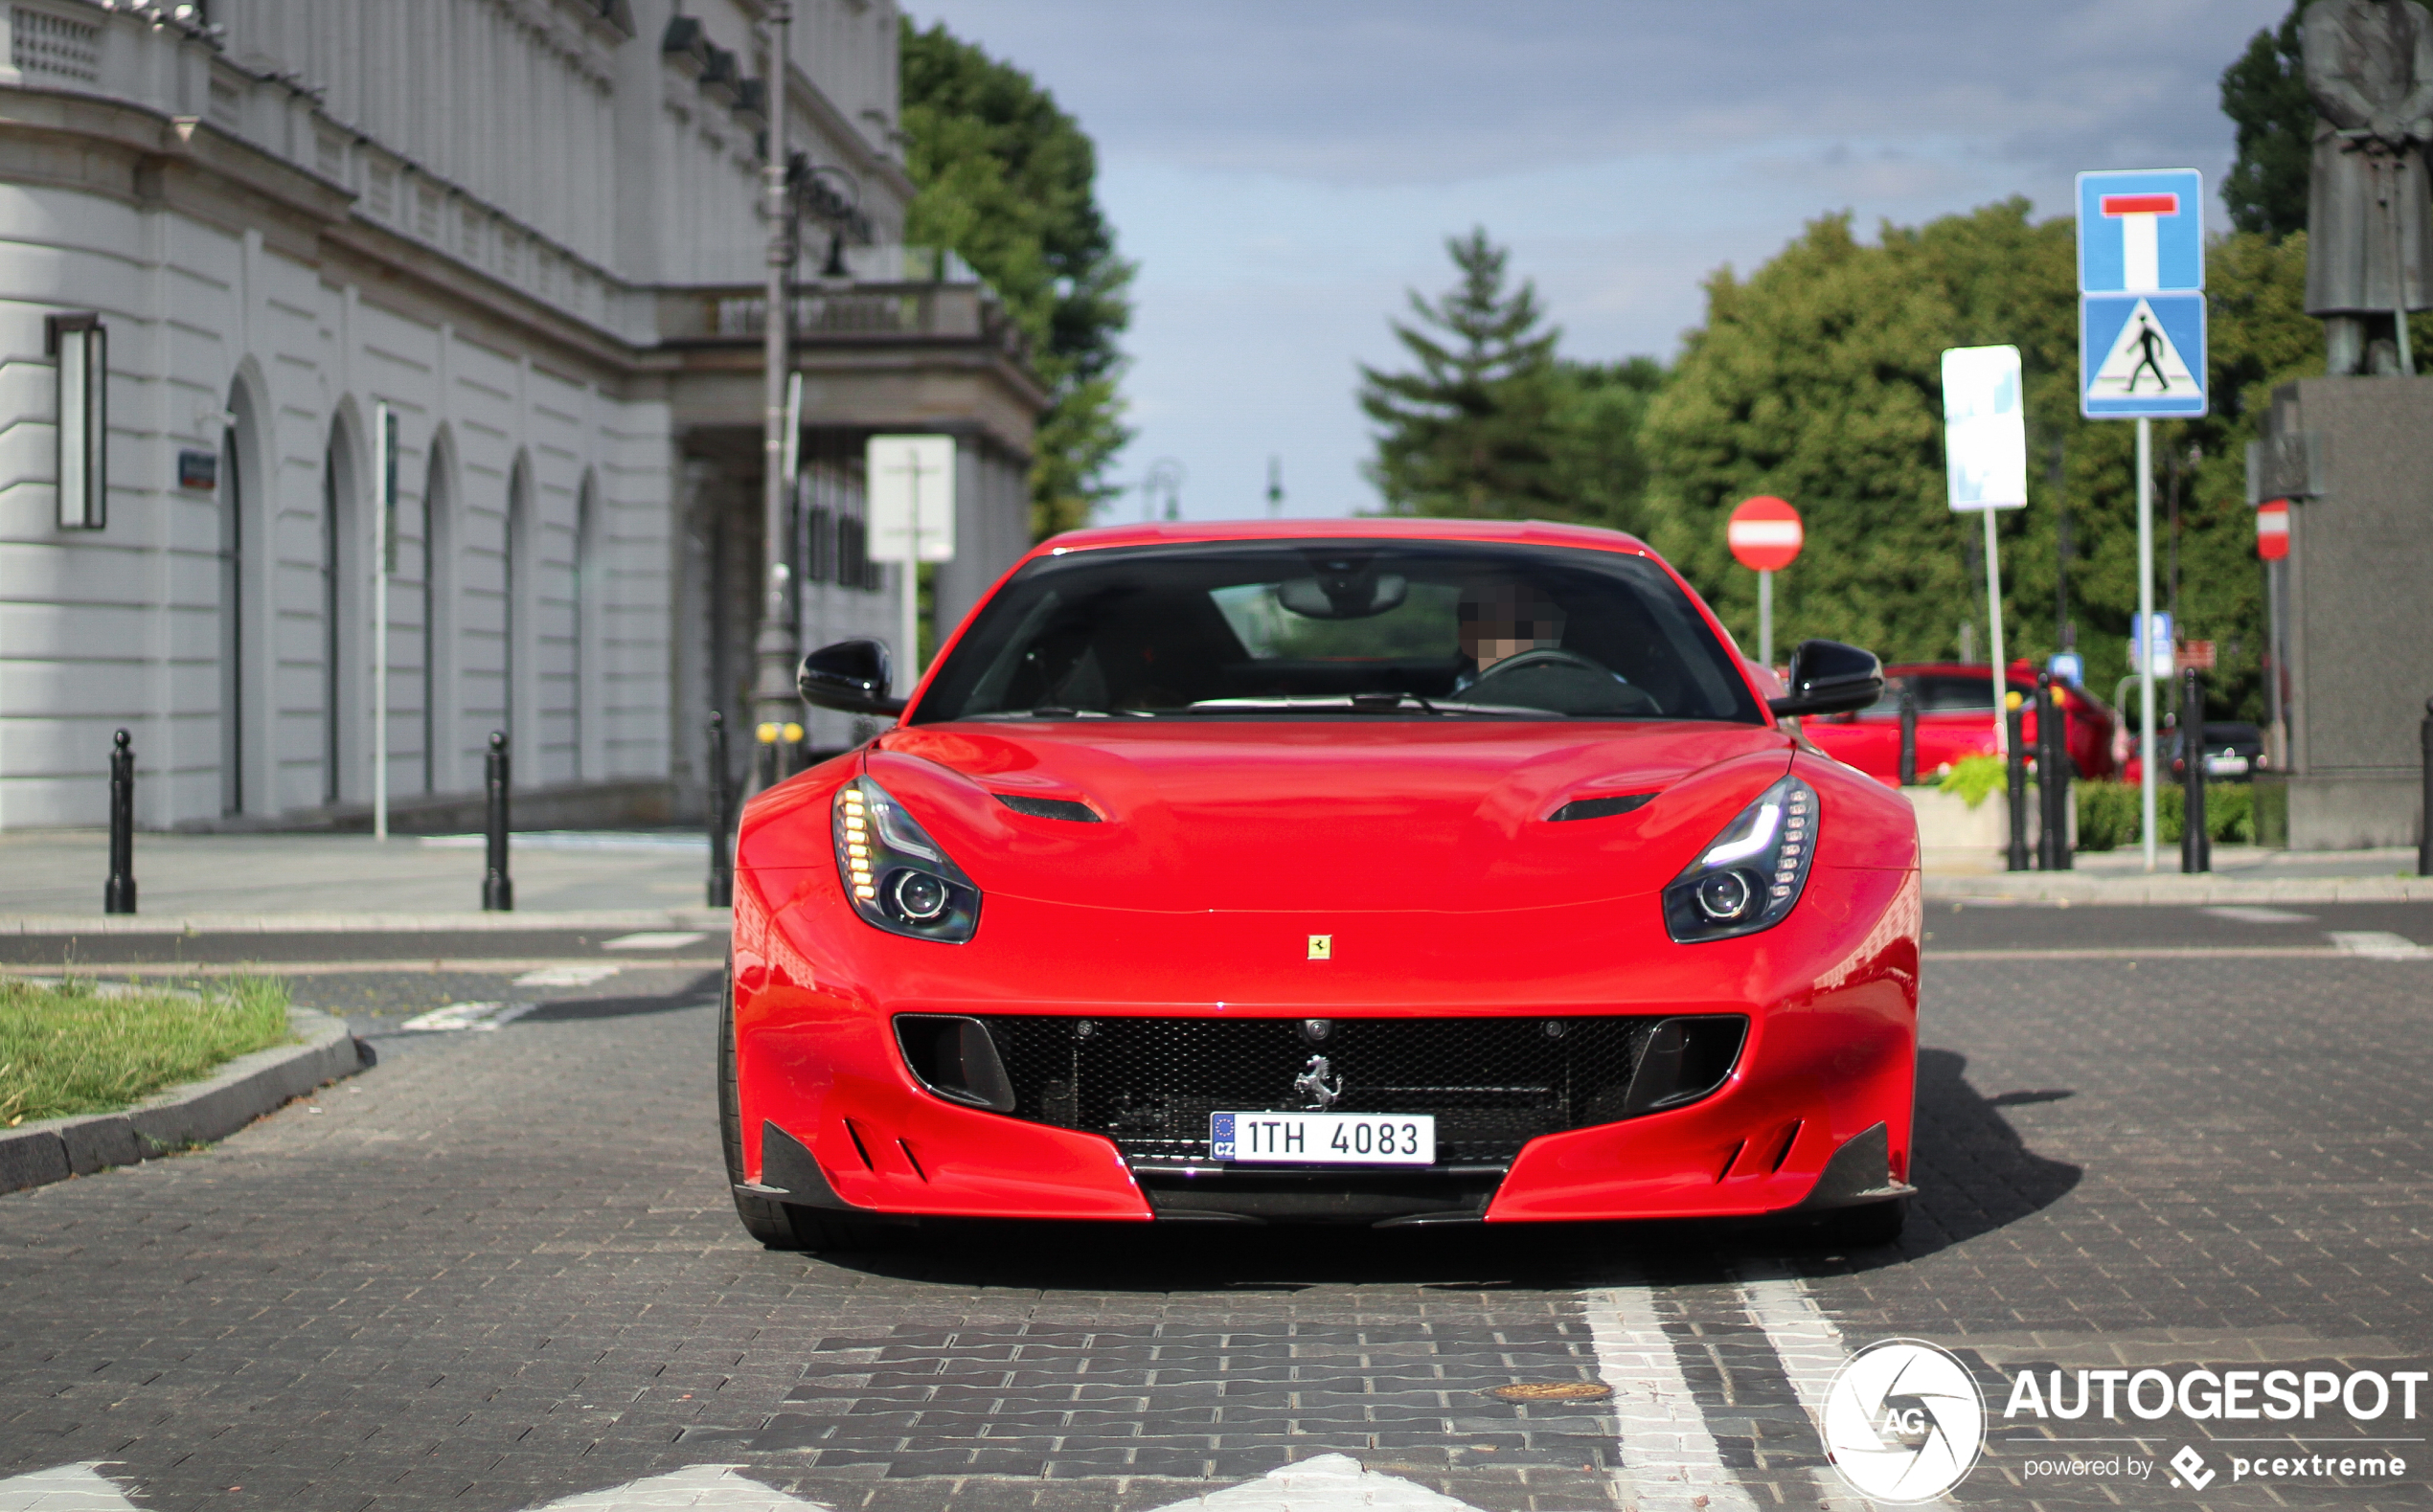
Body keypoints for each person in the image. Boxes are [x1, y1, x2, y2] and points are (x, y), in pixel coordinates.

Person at [2304, 0, 2433, 374]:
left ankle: (2386, 346)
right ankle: (2343, 347)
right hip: (2347, 143)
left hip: (2404, 145)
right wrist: (2371, 117)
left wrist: (2401, 119)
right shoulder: (2323, 14)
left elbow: (2428, 82)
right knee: (2345, 250)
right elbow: (2322, 80)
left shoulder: (2416, 16)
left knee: (2397, 251)